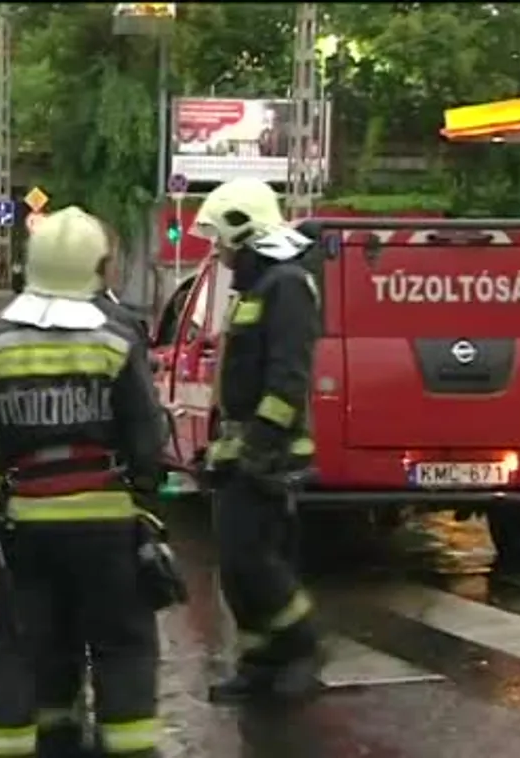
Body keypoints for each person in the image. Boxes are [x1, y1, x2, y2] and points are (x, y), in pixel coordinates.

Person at [0, 205, 169, 758]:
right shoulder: (118, 338)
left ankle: (32, 743)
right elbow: (146, 436)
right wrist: (145, 495)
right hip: (109, 531)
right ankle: (129, 748)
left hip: (25, 533)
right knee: (123, 646)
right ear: (96, 268)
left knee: (18, 648)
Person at [190, 177, 325, 702]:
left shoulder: (286, 285)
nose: (218, 251)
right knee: (236, 568)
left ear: (244, 232)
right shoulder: (257, 286)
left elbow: (287, 380)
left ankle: (301, 647)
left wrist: (259, 447)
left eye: (221, 239)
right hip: (244, 452)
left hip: (271, 457)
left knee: (256, 562)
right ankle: (259, 664)